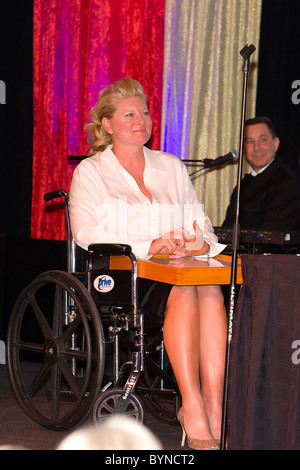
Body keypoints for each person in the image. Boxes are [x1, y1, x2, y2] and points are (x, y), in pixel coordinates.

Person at [69, 77, 227, 450]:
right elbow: (85, 232)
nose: (141, 120)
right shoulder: (91, 172)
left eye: (144, 112)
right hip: (127, 274)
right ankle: (191, 405)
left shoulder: (170, 166)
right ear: (107, 124)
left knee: (211, 290)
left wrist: (192, 243)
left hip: (180, 269)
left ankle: (215, 405)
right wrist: (149, 244)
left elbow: (202, 225)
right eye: (129, 114)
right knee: (188, 293)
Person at [222, 116, 300, 232]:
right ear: (244, 149)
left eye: (262, 140)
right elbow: (227, 230)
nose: (256, 147)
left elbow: (271, 236)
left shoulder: (288, 183)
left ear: (276, 144)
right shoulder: (243, 184)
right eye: (249, 141)